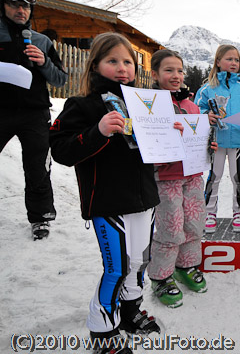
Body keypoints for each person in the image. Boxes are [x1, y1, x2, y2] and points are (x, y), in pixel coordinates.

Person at [49, 33, 162, 353]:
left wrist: (171, 130)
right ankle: (102, 332)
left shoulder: (143, 104)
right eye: (113, 61)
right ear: (95, 64)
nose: (122, 67)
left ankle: (128, 313)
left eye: (128, 61)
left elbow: (156, 149)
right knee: (117, 268)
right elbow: (60, 149)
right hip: (109, 202)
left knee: (140, 261)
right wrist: (97, 131)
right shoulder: (81, 105)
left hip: (144, 199)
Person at [147, 49, 216, 308]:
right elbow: (148, 139)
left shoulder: (191, 105)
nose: (176, 76)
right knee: (171, 226)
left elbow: (199, 138)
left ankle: (186, 266)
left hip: (193, 174)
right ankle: (161, 276)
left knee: (194, 222)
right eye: (168, 70)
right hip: (167, 176)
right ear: (154, 74)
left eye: (179, 70)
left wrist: (209, 145)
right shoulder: (151, 103)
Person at [0, 0, 67, 240]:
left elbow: (60, 79)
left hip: (34, 113)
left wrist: (44, 61)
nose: (21, 11)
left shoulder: (41, 40)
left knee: (38, 167)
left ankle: (40, 218)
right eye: (14, 5)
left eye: (26, 7)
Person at [195, 44, 240, 233]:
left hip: (239, 140)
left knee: (237, 178)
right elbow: (196, 111)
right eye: (229, 59)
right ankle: (208, 213)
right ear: (218, 62)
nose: (234, 63)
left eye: (237, 60)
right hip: (216, 141)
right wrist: (205, 117)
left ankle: (239, 212)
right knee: (214, 177)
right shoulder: (207, 89)